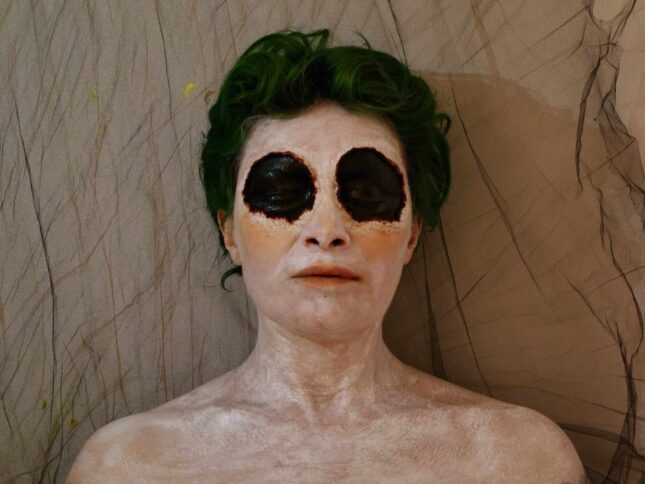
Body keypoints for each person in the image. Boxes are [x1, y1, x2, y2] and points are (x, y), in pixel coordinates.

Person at [67, 29, 586, 482]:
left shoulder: (519, 460)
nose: (327, 231)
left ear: (411, 234)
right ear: (230, 233)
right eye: (281, 192)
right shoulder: (127, 467)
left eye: (365, 193)